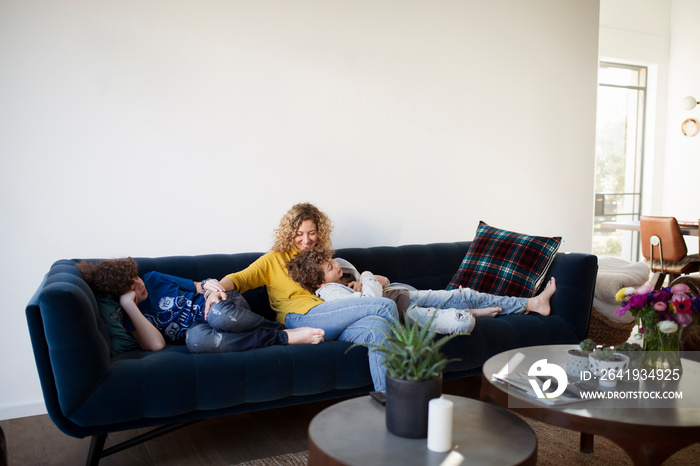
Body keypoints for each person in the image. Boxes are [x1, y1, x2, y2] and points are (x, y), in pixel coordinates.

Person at [204, 203, 399, 392]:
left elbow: (336, 287)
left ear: (319, 232)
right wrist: (216, 288)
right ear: (290, 233)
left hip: (330, 317)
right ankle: (407, 386)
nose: (306, 240)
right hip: (300, 316)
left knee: (377, 327)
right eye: (299, 234)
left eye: (311, 233)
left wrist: (357, 283)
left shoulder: (321, 257)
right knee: (384, 307)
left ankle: (388, 401)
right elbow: (239, 278)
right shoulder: (274, 259)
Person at [77, 258, 325, 354]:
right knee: (195, 341)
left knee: (218, 317)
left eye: (135, 277)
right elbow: (156, 344)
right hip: (201, 330)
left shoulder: (153, 278)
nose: (138, 284)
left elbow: (200, 285)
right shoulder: (132, 317)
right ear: (120, 295)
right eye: (129, 287)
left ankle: (278, 329)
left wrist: (211, 288)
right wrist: (130, 306)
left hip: (223, 307)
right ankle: (281, 336)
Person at [285, 247, 557, 334]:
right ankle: (472, 314)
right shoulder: (329, 294)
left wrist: (364, 279)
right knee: (457, 319)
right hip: (401, 311)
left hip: (401, 294)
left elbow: (384, 280)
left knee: (462, 294)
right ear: (319, 281)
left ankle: (530, 303)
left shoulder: (343, 274)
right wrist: (366, 278)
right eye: (330, 266)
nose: (337, 265)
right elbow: (372, 302)